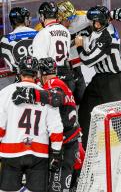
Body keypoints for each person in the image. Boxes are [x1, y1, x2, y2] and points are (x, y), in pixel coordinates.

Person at [11, 57, 84, 192]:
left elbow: (56, 98)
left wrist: (31, 94)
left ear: (40, 73)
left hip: (65, 147)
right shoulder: (60, 83)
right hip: (71, 143)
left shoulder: (53, 83)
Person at [0, 56, 63, 192]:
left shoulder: (5, 93)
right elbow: (56, 128)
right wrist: (56, 152)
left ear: (19, 72)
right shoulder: (46, 95)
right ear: (37, 74)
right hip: (38, 154)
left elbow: (0, 125)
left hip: (11, 153)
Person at [74, 5, 121, 151]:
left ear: (101, 22)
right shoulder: (100, 26)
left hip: (115, 81)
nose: (94, 24)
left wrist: (79, 46)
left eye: (96, 21)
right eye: (93, 21)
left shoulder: (107, 37)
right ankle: (89, 153)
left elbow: (88, 60)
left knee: (120, 121)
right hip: (99, 79)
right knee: (84, 113)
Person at [57, 0, 121, 105]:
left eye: (72, 17)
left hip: (77, 67)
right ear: (59, 18)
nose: (71, 21)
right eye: (68, 19)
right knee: (67, 103)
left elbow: (101, 15)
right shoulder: (48, 29)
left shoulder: (80, 17)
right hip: (61, 69)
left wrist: (117, 13)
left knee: (81, 100)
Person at [32, 1, 75, 92]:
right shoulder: (66, 31)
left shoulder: (42, 34)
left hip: (52, 77)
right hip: (67, 76)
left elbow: (40, 61)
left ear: (43, 16)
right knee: (69, 105)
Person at [0, 7, 37, 77]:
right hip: (38, 77)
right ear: (25, 19)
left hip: (20, 78)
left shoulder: (5, 40)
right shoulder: (38, 34)